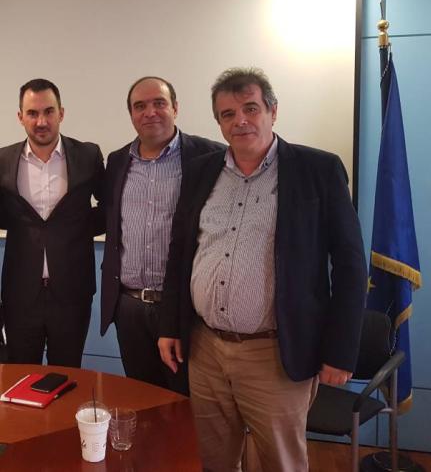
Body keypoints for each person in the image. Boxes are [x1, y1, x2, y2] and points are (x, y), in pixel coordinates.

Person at [158, 68, 367, 471]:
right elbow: (180, 252)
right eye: (228, 114)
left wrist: (340, 351)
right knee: (213, 460)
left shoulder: (317, 170)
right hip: (205, 349)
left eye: (251, 108)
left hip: (275, 354)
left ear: (273, 111)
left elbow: (350, 266)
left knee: (280, 463)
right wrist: (170, 325)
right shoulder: (201, 171)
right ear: (219, 123)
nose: (240, 121)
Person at [100, 76, 223, 394]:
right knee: (141, 397)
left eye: (159, 103)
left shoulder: (209, 157)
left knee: (185, 400)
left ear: (175, 108)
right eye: (140, 106)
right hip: (128, 307)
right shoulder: (117, 161)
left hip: (184, 306)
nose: (150, 112)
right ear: (131, 114)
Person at [0, 78, 104, 367]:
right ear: (20, 117)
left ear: (61, 113)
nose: (41, 121)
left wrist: (77, 229)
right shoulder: (3, 160)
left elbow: (109, 207)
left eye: (49, 111)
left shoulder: (88, 155)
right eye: (32, 113)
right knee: (21, 376)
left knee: (68, 375)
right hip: (20, 294)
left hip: (72, 292)